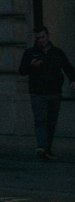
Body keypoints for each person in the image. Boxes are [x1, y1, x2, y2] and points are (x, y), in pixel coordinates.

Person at [17, 24, 75, 159]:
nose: (41, 40)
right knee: (40, 119)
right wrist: (31, 66)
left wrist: (72, 79)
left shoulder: (57, 53)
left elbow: (67, 67)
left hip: (54, 92)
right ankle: (42, 147)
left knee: (51, 122)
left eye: (43, 37)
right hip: (38, 92)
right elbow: (22, 70)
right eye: (38, 38)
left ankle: (47, 148)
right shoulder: (30, 53)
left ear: (48, 36)